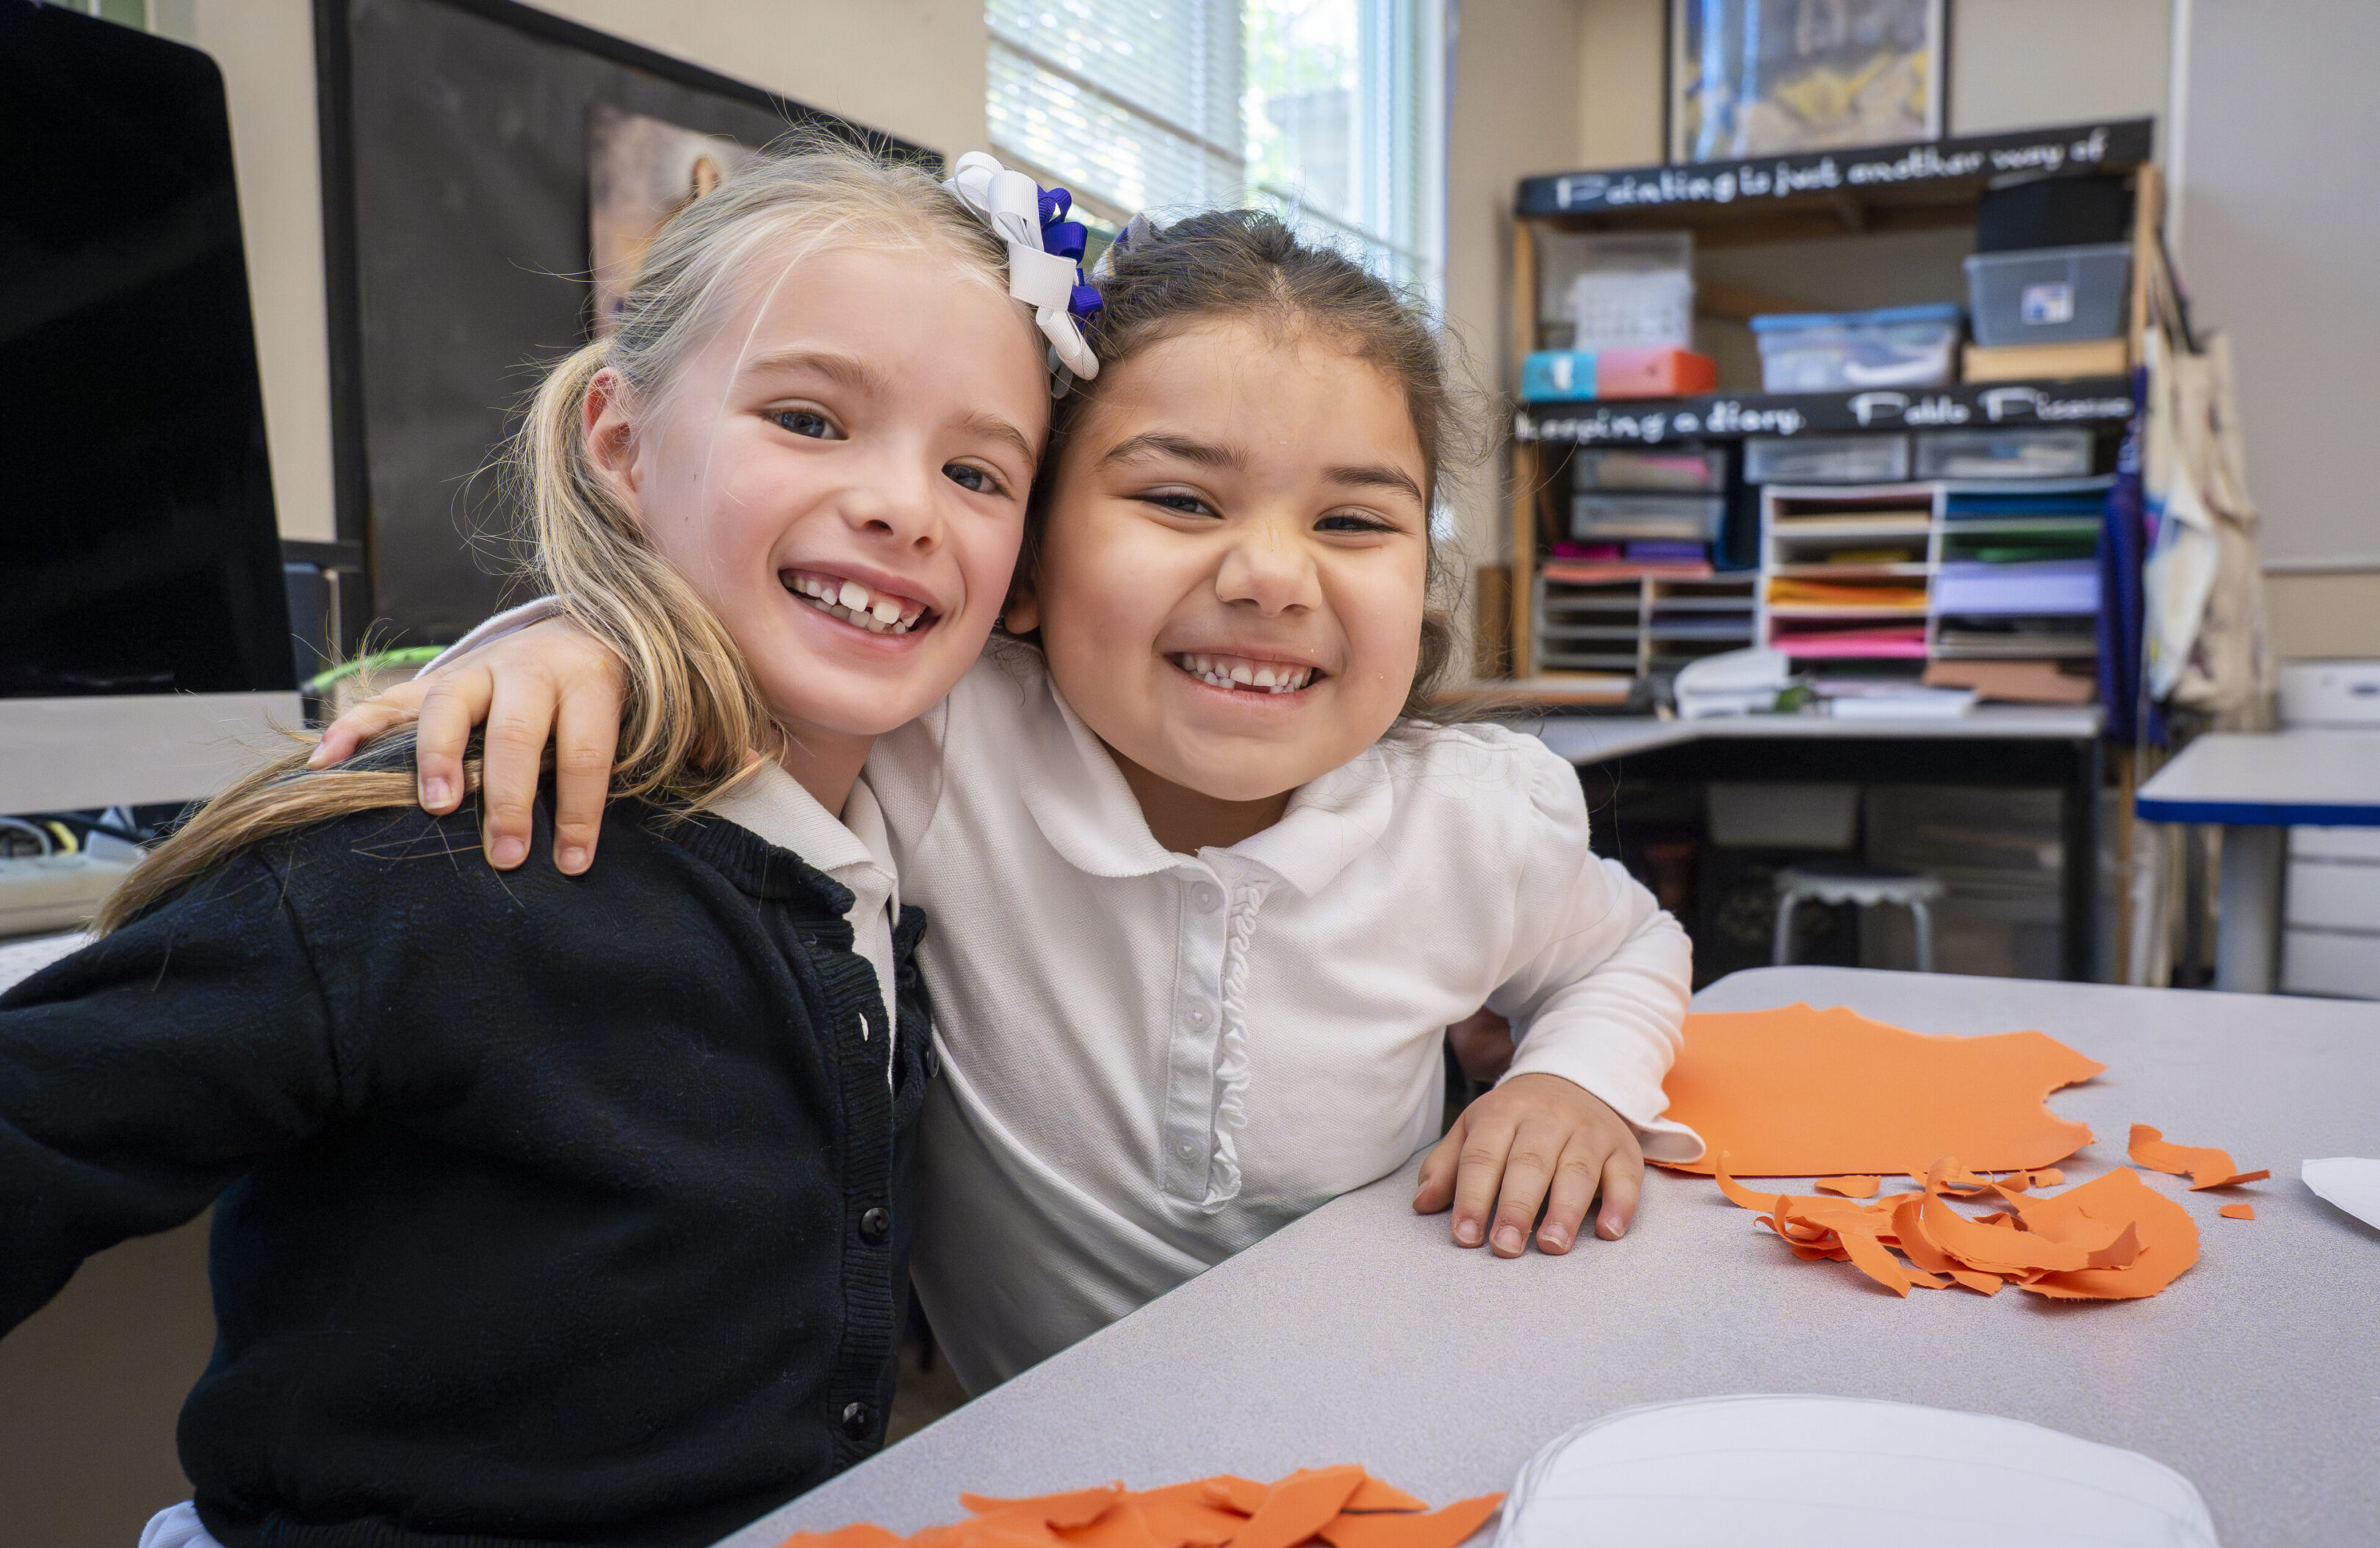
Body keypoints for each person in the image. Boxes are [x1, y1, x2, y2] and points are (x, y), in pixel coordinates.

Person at [321, 206, 1706, 1392]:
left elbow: (1630, 949)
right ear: (1023, 567)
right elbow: (741, 620)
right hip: (1043, 1488)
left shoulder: (1475, 820)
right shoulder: (933, 741)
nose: (1276, 575)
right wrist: (566, 641)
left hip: (1405, 1402)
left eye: (1354, 522)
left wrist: (1572, 1080)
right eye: (1179, 500)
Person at [0, 140, 1062, 1548]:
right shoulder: (435, 842)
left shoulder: (890, 848)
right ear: (623, 446)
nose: (906, 506)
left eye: (977, 471)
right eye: (810, 418)